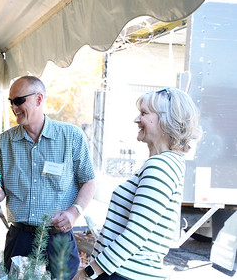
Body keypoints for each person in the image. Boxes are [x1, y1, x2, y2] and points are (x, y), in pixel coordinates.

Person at [73, 88, 201, 280]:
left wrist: (88, 273)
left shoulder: (160, 166)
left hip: (123, 274)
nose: (136, 120)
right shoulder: (168, 163)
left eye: (144, 113)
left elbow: (135, 235)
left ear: (166, 120)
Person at [0, 76, 96, 279]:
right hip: (20, 238)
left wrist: (74, 213)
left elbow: (89, 181)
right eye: (11, 102)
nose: (14, 107)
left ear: (39, 99)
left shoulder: (71, 137)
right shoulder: (3, 142)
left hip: (58, 238)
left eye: (18, 101)